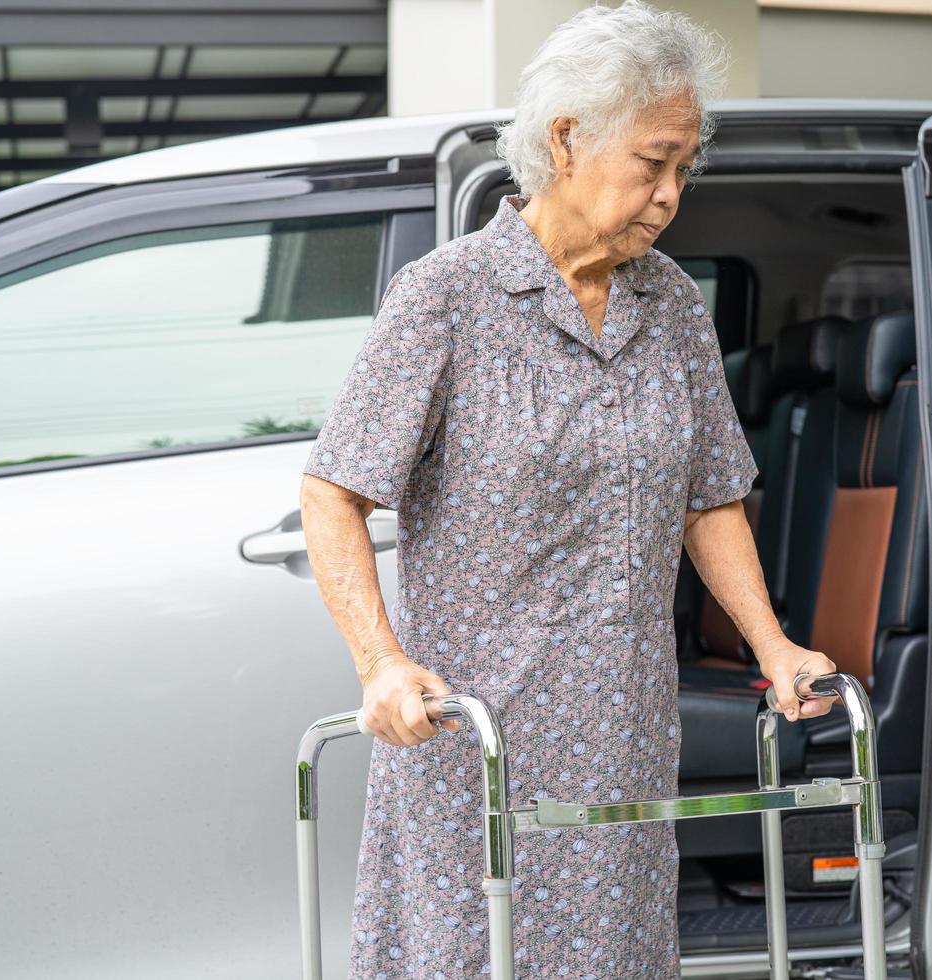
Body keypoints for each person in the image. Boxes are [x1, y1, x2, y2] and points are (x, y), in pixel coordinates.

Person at [298, 2, 838, 974]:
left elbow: (709, 495)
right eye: (654, 161)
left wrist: (772, 642)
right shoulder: (449, 297)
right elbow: (334, 491)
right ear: (566, 139)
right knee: (474, 954)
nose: (672, 191)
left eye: (685, 167)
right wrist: (380, 661)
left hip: (621, 737)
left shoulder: (670, 302)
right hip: (476, 741)